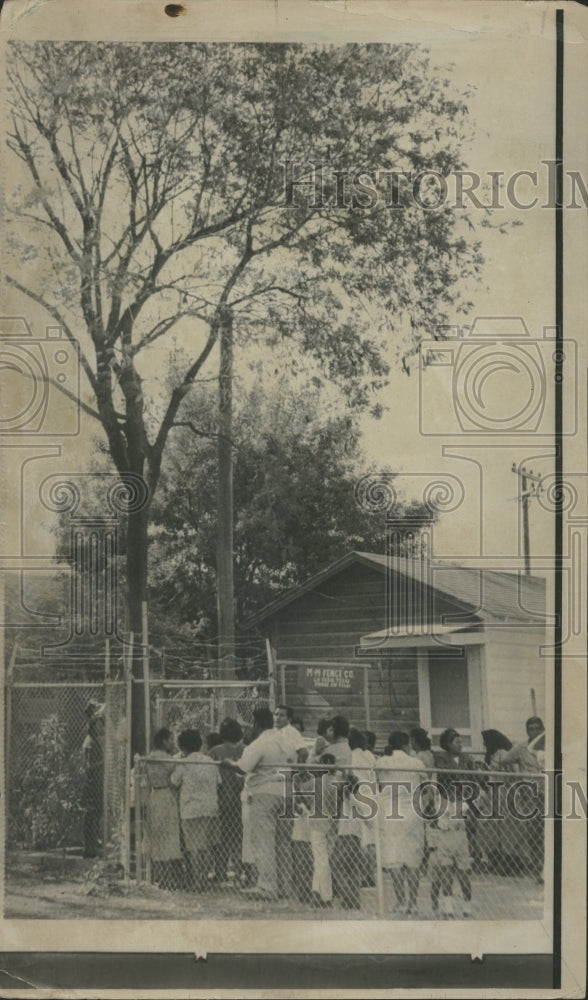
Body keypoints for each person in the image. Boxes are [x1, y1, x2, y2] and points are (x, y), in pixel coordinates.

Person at [225, 706, 293, 901]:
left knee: (265, 842)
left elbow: (243, 768)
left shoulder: (260, 742)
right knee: (283, 843)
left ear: (257, 724)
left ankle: (267, 886)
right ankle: (284, 887)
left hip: (264, 792)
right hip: (286, 791)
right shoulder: (285, 741)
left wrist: (229, 763)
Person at [375, 731, 427, 915]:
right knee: (413, 860)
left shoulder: (382, 762)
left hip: (391, 814)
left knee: (394, 859)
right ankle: (413, 903)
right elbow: (425, 785)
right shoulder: (416, 763)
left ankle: (401, 902)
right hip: (412, 813)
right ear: (406, 745)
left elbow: (378, 782)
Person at [171, 729, 220, 892]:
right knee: (206, 845)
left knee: (193, 846)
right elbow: (218, 781)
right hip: (210, 807)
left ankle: (197, 880)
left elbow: (174, 781)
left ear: (182, 746)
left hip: (190, 809)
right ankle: (204, 878)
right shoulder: (209, 761)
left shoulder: (183, 763)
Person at [500, 717, 545, 882]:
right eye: (531, 729)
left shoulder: (550, 746)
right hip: (531, 795)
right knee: (534, 832)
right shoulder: (521, 748)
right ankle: (537, 867)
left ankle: (549, 868)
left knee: (550, 832)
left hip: (550, 793)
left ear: (543, 730)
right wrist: (516, 780)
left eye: (537, 728)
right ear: (527, 731)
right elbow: (503, 761)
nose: (534, 732)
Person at [427, 783, 473, 918]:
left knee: (457, 874)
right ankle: (456, 906)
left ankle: (457, 906)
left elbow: (435, 821)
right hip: (455, 840)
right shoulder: (458, 805)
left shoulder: (446, 805)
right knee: (454, 874)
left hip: (452, 841)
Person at [144, 727, 182, 889]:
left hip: (154, 795)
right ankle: (167, 877)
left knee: (156, 833)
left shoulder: (149, 757)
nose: (172, 742)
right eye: (170, 739)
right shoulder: (168, 759)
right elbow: (177, 775)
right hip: (167, 795)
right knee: (170, 834)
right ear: (163, 741)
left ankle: (157, 875)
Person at [208, 718, 245, 885]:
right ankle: (239, 871)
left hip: (222, 798)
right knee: (240, 837)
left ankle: (221, 871)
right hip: (242, 799)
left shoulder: (214, 751)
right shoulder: (246, 749)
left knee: (222, 838)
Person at [81, 702, 105, 859]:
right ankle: (89, 849)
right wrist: (105, 762)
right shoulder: (90, 742)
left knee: (96, 814)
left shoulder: (94, 740)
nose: (101, 727)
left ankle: (92, 846)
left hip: (96, 782)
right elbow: (89, 765)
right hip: (91, 784)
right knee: (91, 815)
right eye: (98, 724)